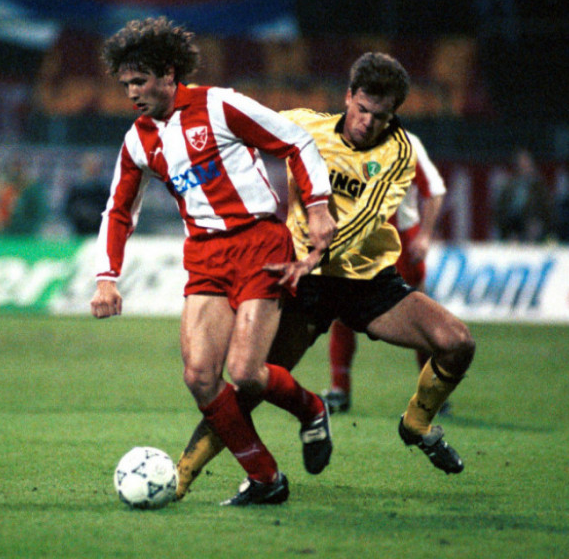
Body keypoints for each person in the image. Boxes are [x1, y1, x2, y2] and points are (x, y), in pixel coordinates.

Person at [175, 52, 475, 500]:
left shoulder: (399, 153)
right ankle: (181, 476)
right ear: (349, 96)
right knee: (251, 381)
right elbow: (239, 128)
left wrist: (315, 253)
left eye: (381, 116)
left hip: (367, 282)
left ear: (394, 114)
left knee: (457, 342)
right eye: (363, 109)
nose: (368, 123)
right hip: (304, 282)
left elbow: (367, 220)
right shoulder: (303, 126)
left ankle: (416, 423)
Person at [89, 16, 338, 507]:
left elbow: (296, 139)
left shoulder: (219, 105)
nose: (132, 93)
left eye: (140, 81)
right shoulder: (138, 140)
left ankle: (312, 409)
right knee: (200, 376)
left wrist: (317, 205)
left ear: (168, 72)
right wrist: (106, 279)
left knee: (245, 372)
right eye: (125, 84)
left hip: (259, 245)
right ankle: (266, 479)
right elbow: (118, 210)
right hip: (204, 255)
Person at [323, 132, 447, 414]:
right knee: (341, 314)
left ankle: (432, 394)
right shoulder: (345, 137)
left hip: (401, 240)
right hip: (357, 240)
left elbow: (435, 190)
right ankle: (339, 390)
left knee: (422, 320)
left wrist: (425, 236)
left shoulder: (408, 144)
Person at [493, 147, 554, 242]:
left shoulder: (539, 187)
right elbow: (500, 211)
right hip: (512, 228)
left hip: (533, 226)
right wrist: (506, 231)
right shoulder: (508, 187)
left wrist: (540, 225)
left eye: (526, 163)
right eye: (521, 163)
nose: (524, 166)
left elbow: (547, 211)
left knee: (533, 227)